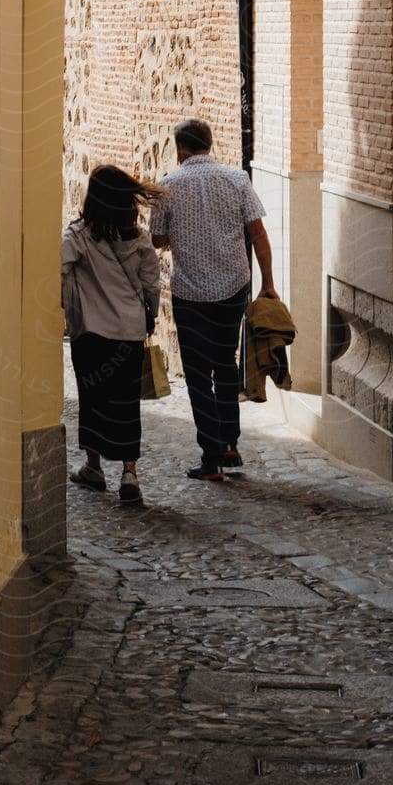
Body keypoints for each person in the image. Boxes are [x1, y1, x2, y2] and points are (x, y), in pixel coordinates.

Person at [151, 117, 276, 481]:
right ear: (209, 144)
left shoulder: (168, 186)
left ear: (180, 150)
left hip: (191, 294)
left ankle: (211, 457)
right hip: (233, 289)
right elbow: (258, 233)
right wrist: (267, 282)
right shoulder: (238, 180)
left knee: (196, 375)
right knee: (226, 364)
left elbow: (157, 241)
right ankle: (230, 444)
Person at [62, 165, 161, 505]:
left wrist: (68, 302)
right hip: (129, 332)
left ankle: (93, 467)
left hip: (90, 331)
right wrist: (151, 313)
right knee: (125, 402)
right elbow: (151, 282)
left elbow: (58, 267)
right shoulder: (139, 238)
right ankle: (129, 473)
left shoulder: (78, 236)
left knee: (93, 400)